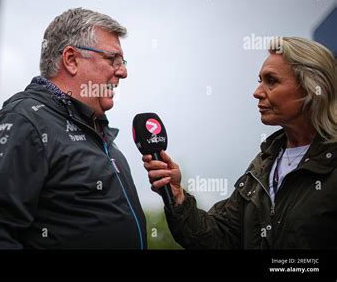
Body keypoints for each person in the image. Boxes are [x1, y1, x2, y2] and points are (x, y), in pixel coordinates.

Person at [0, 8, 146, 249]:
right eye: (113, 60)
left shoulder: (100, 134)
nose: (123, 71)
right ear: (71, 59)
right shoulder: (23, 122)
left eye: (122, 62)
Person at [143, 37, 337, 249]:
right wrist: (177, 196)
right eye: (260, 80)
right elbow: (219, 237)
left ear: (312, 88)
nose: (257, 92)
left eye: (271, 81)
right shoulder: (263, 165)